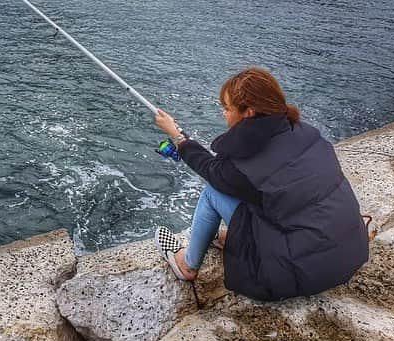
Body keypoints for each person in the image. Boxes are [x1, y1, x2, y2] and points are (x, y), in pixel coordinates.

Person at [153, 67, 369, 301]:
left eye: (227, 108)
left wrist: (178, 138)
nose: (224, 115)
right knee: (268, 198)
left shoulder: (244, 167)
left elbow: (214, 172)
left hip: (297, 272)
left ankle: (188, 266)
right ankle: (233, 238)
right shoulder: (305, 132)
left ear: (249, 112)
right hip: (346, 253)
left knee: (212, 192)